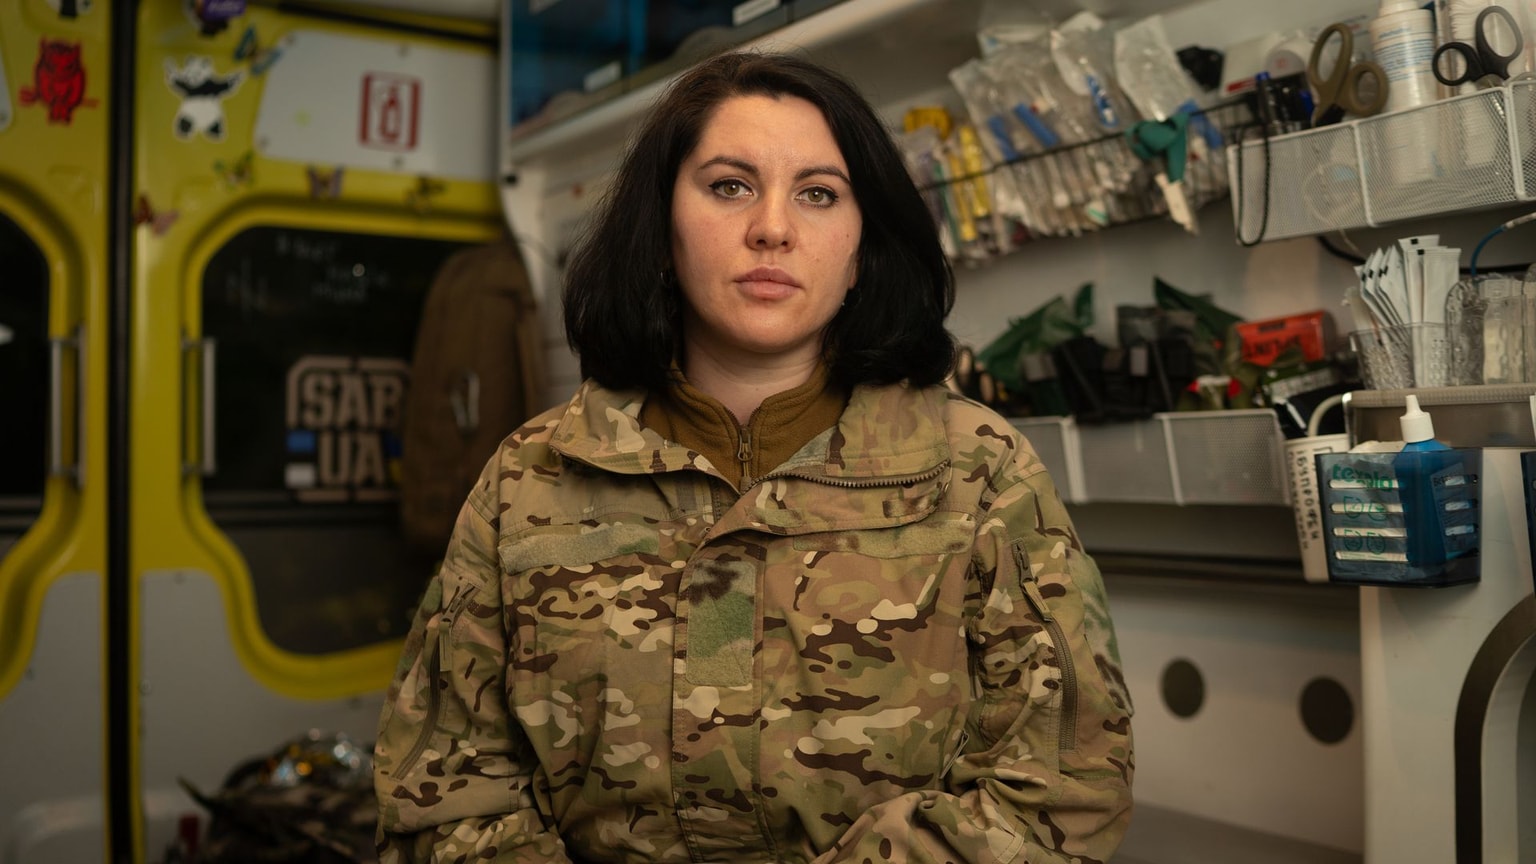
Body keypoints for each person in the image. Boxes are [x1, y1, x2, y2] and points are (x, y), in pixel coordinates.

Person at [373, 50, 1133, 863]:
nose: (773, 226)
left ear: (861, 247)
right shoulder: (530, 479)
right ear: (661, 230)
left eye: (817, 194)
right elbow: (444, 798)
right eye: (729, 185)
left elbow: (1065, 782)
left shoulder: (977, 469)